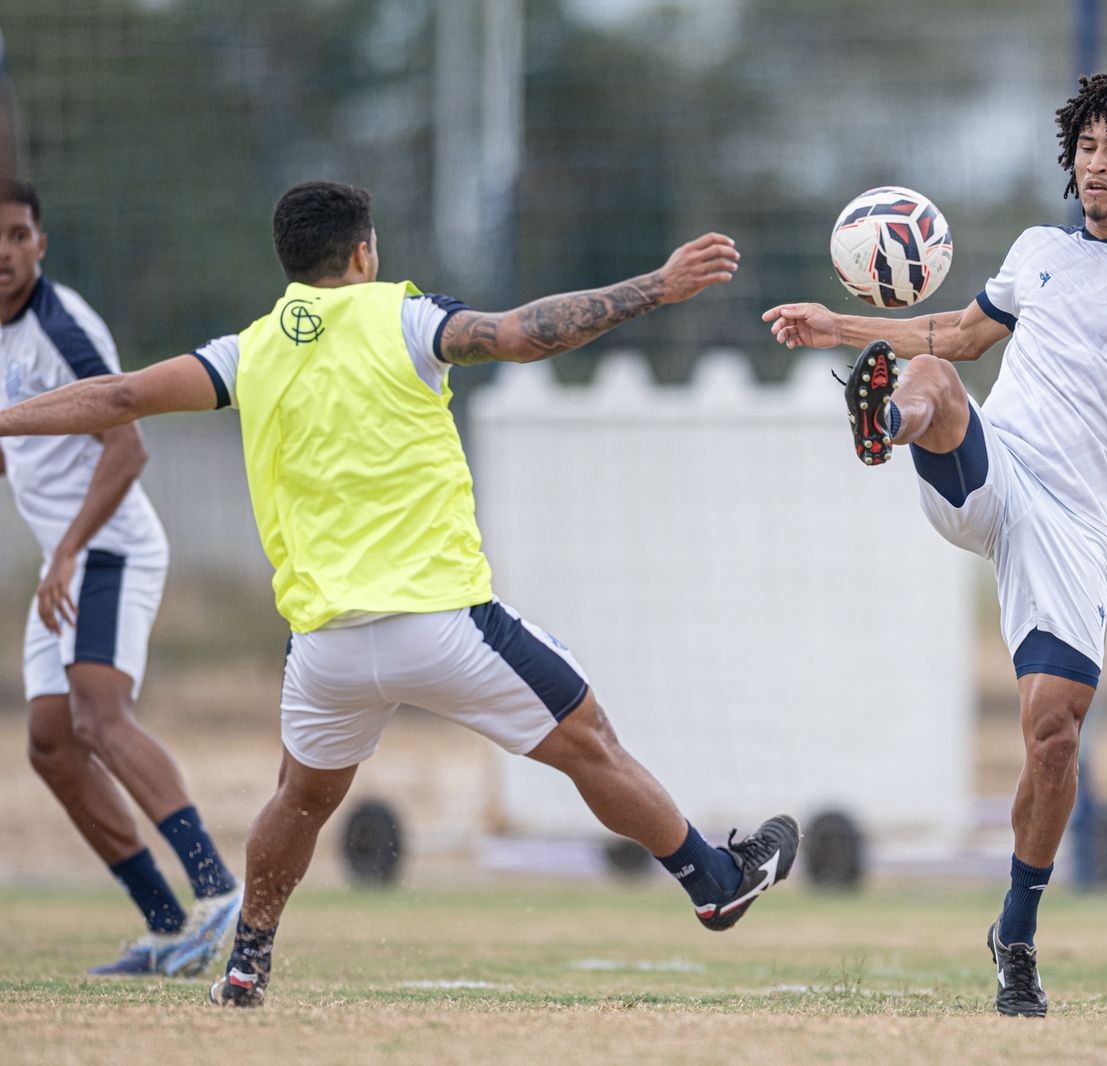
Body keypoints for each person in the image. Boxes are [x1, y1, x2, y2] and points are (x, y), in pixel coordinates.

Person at [0, 181, 800, 1008]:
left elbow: (121, 396)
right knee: (589, 742)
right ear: (364, 252)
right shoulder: (407, 317)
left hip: (326, 651)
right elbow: (521, 334)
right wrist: (658, 286)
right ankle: (713, 881)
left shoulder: (247, 351)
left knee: (299, 800)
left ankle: (246, 964)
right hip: (443, 628)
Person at [762, 67, 1107, 1017]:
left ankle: (1015, 936)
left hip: (1071, 521)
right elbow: (957, 333)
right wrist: (835, 328)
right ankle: (885, 425)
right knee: (933, 376)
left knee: (1054, 736)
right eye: (1086, 147)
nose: (1096, 164)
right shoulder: (1039, 250)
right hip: (990, 465)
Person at [0, 179, 241, 976]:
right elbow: (23, 453)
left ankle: (217, 888)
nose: (5, 251)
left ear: (41, 245)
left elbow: (127, 445)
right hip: (67, 558)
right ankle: (169, 926)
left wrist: (69, 550)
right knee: (50, 745)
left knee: (99, 718)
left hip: (109, 548)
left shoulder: (61, 326)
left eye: (18, 235)